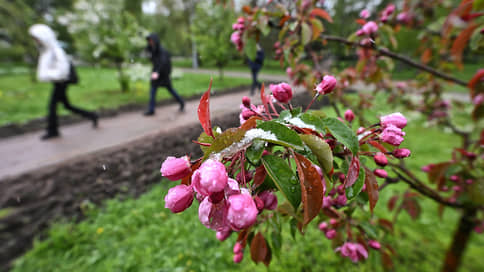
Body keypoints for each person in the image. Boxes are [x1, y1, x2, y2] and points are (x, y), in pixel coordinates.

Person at [28, 24, 98, 140]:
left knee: (52, 106)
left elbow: (63, 69)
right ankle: (92, 115)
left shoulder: (56, 50)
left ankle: (53, 130)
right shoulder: (47, 50)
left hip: (62, 82)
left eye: (36, 38)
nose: (35, 41)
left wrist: (49, 75)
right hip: (58, 82)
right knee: (67, 106)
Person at [144, 33, 184, 115]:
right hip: (156, 74)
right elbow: (153, 60)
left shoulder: (161, 50)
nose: (150, 42)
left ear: (155, 40)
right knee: (152, 91)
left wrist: (157, 72)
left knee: (170, 90)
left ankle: (181, 102)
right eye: (149, 41)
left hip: (163, 75)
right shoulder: (153, 49)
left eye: (151, 40)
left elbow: (163, 62)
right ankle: (151, 109)